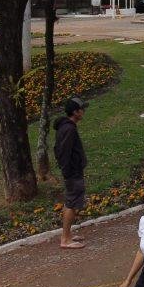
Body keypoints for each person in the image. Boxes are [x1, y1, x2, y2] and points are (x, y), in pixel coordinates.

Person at [54, 97, 88, 249]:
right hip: (72, 173)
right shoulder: (69, 129)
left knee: (70, 203)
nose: (83, 112)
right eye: (82, 109)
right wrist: (68, 172)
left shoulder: (66, 127)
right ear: (75, 112)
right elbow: (63, 152)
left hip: (72, 172)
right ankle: (65, 239)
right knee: (71, 204)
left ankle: (67, 234)